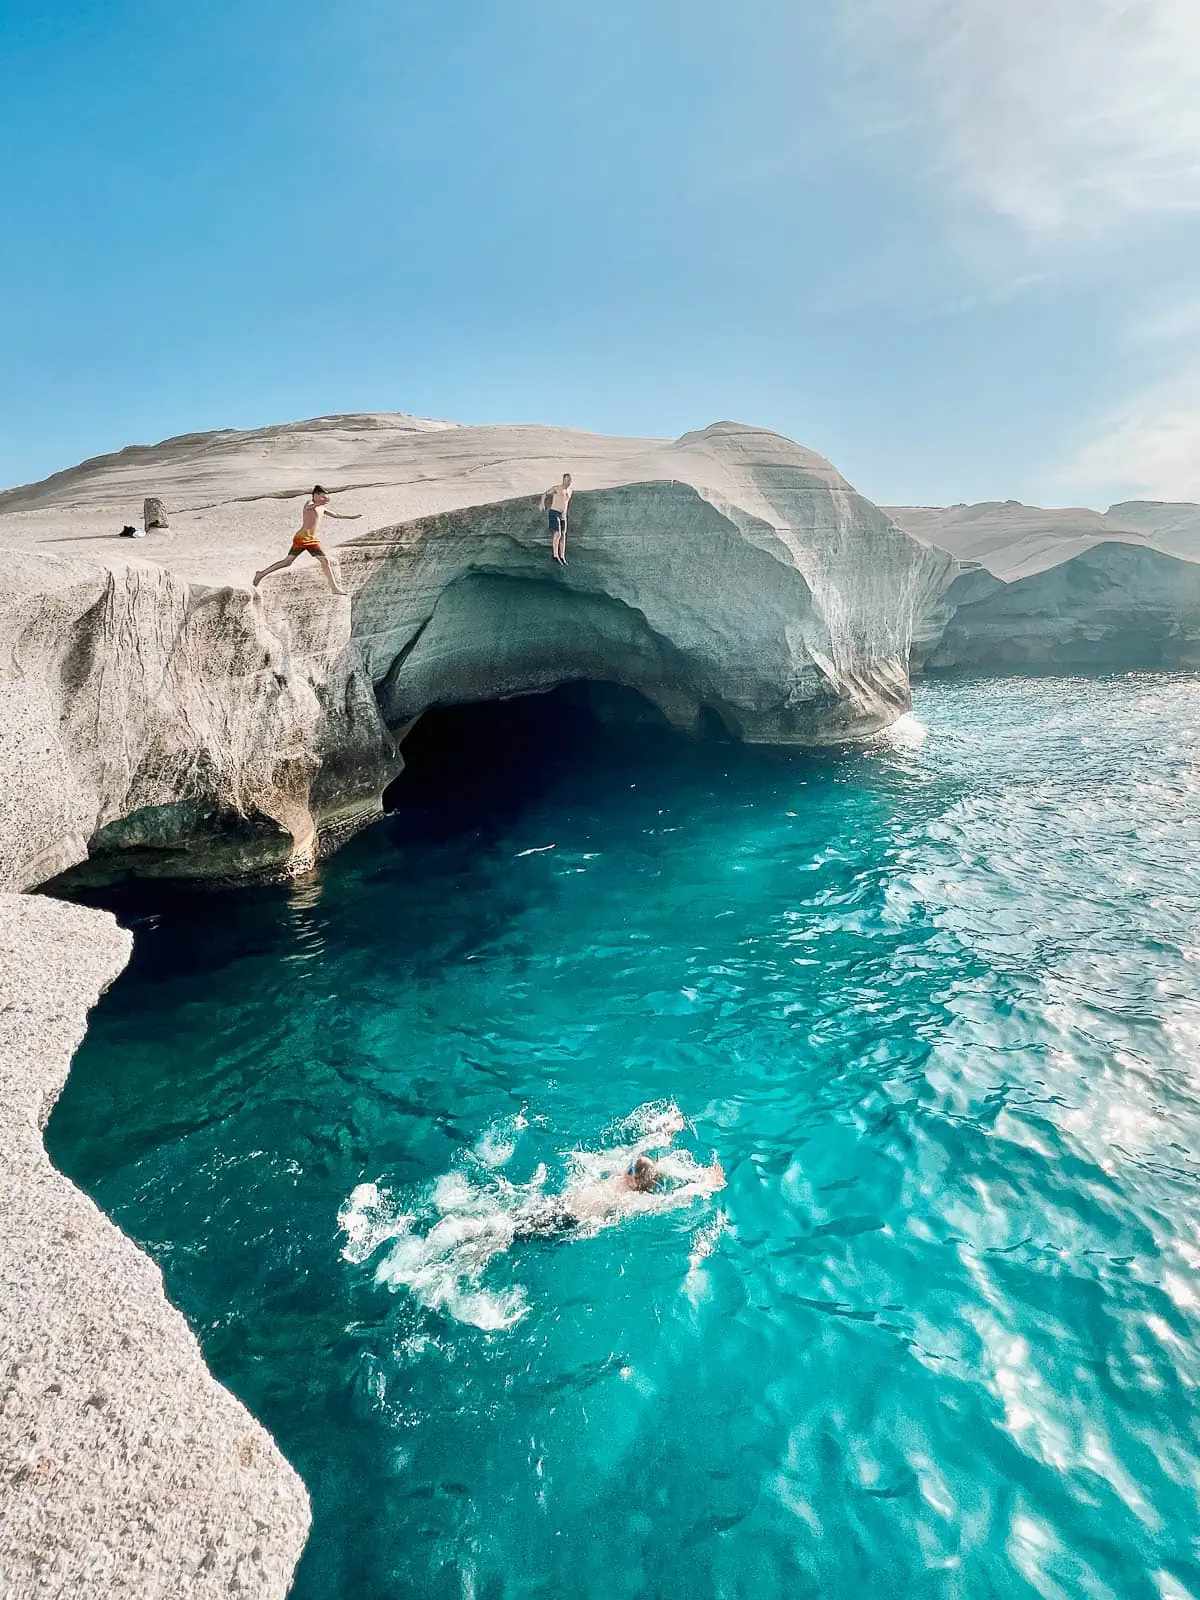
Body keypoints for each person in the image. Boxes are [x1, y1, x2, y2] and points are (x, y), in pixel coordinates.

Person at [512, 1149, 726, 1239]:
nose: (627, 1167)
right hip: (561, 1204)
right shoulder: (620, 1177)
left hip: (567, 1221)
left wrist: (705, 1185)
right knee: (510, 1221)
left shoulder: (633, 1197)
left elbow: (669, 1200)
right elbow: (649, 1156)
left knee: (511, 1233)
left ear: (635, 1181)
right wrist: (666, 1132)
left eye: (631, 1169)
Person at [253, 485, 361, 595]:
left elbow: (337, 515)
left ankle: (261, 574)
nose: (325, 499)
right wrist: (320, 503)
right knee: (295, 562)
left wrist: (352, 517)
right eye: (323, 497)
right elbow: (309, 508)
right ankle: (261, 574)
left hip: (311, 539)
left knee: (296, 561)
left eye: (326, 497)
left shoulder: (322, 508)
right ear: (316, 495)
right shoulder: (309, 503)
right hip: (303, 538)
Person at [539, 472, 573, 565]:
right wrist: (542, 503)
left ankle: (562, 556)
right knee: (557, 533)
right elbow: (544, 494)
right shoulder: (557, 488)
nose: (568, 482)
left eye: (570, 481)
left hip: (563, 515)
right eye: (567, 480)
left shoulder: (570, 490)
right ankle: (555, 554)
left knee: (563, 535)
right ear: (563, 480)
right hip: (554, 512)